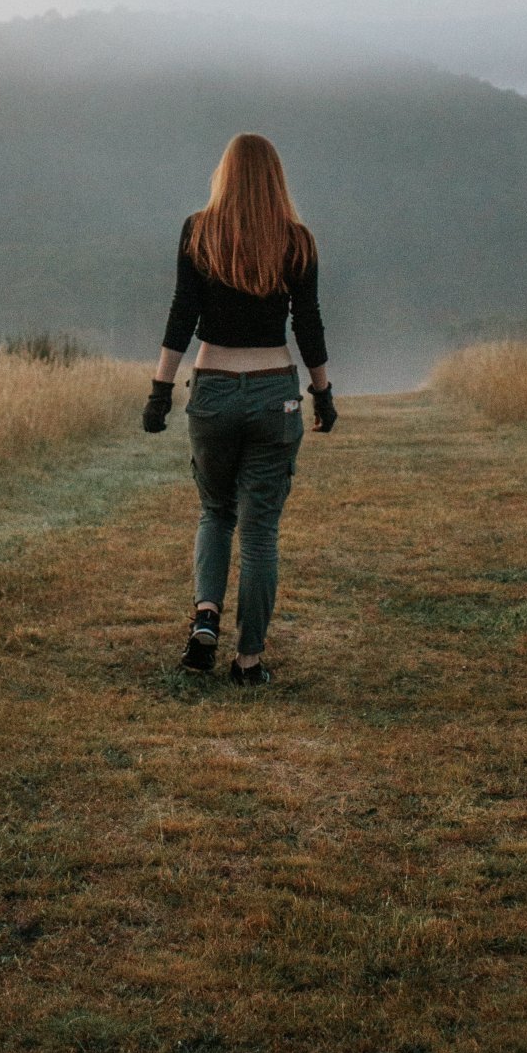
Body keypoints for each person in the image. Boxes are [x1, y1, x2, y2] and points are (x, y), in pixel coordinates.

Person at [142, 133, 337, 686]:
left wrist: (160, 389)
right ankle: (249, 662)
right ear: (277, 177)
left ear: (224, 174)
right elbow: (309, 324)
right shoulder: (297, 241)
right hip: (275, 388)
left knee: (215, 512)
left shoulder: (199, 231)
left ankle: (206, 616)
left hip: (215, 387)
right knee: (259, 532)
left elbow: (183, 313)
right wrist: (322, 392)